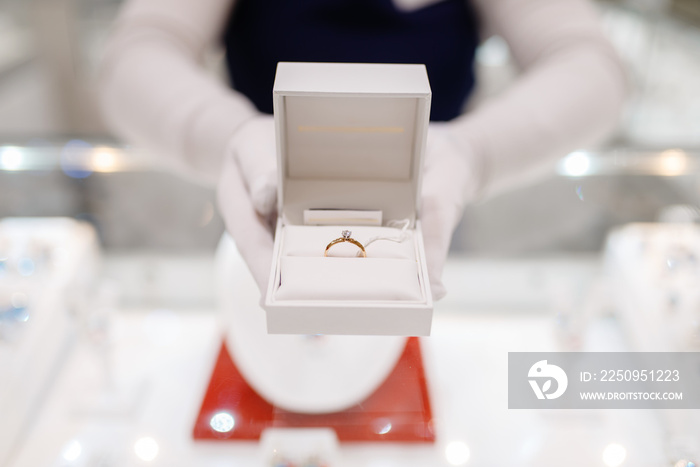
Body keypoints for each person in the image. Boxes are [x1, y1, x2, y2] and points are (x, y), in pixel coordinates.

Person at [98, 0, 626, 300]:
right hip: (266, 201)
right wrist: (232, 137)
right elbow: (136, 52)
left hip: (426, 206)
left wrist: (471, 153)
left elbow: (590, 66)